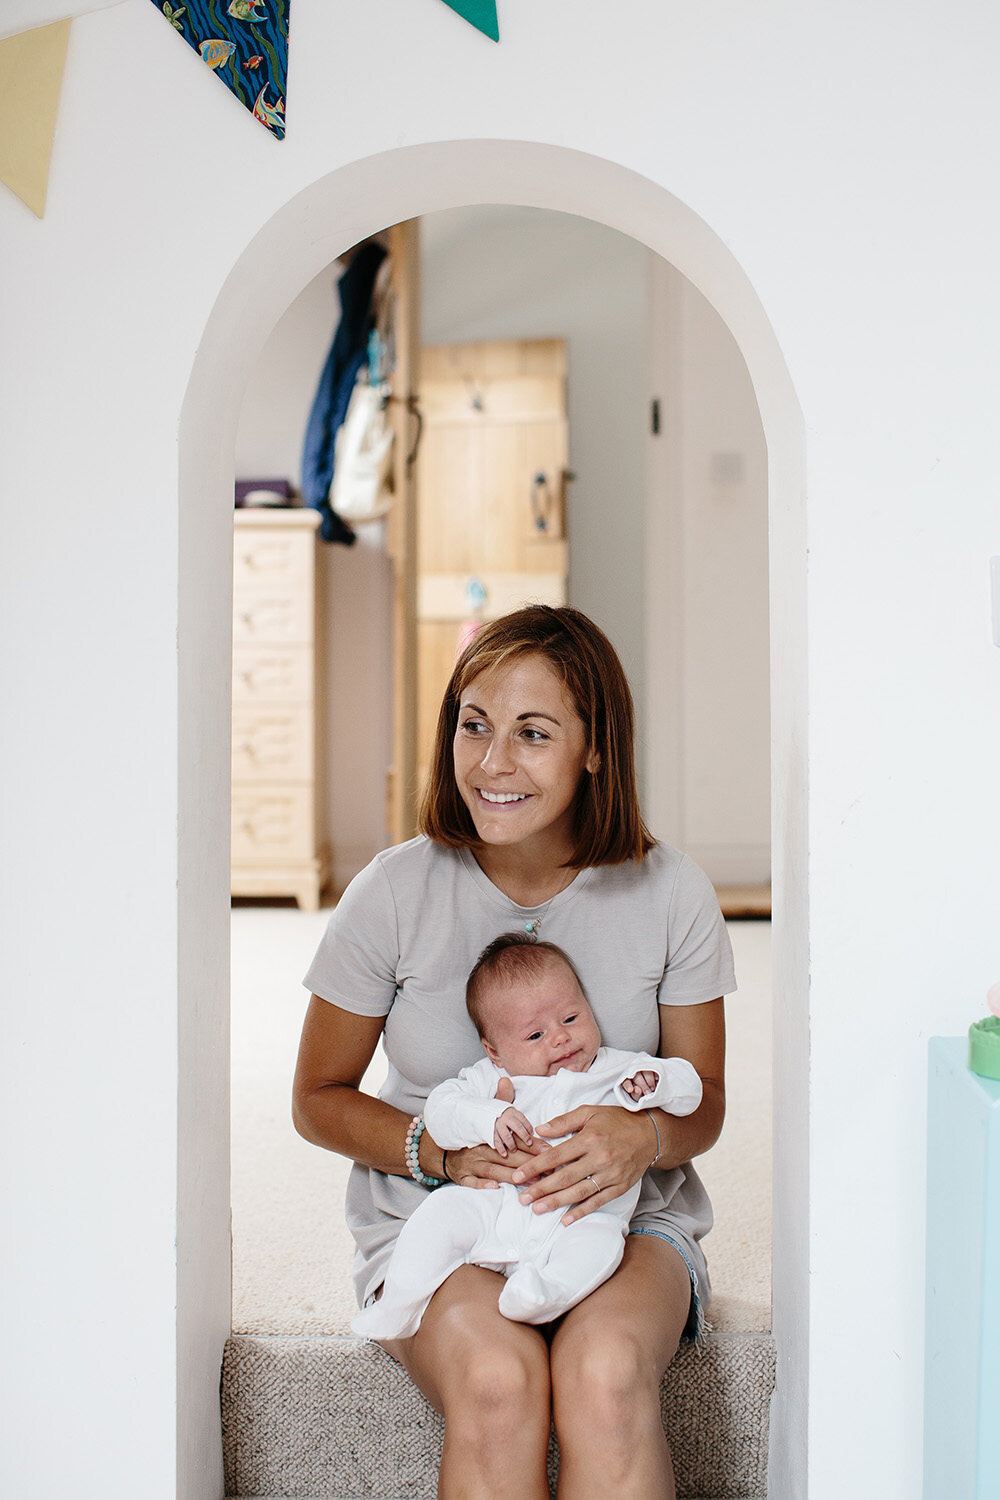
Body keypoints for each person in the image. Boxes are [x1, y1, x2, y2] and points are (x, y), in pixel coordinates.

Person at [293, 604, 736, 1500]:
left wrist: (640, 1140)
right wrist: (441, 1155)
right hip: (441, 1217)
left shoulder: (673, 891)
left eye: (533, 734)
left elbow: (709, 1099)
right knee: (498, 1382)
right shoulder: (392, 891)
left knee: (605, 1372)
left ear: (595, 748)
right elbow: (318, 1095)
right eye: (474, 725)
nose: (492, 763)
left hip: (628, 1219)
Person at [352, 933, 704, 1340]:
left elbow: (691, 1088)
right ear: (495, 1051)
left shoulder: (618, 1070)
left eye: (571, 1018)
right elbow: (441, 1109)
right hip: (496, 1208)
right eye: (535, 1035)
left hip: (582, 1215)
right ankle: (398, 1303)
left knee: (601, 1246)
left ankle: (543, 1294)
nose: (560, 1037)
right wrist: (488, 1116)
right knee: (440, 1215)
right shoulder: (494, 1077)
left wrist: (656, 1083)